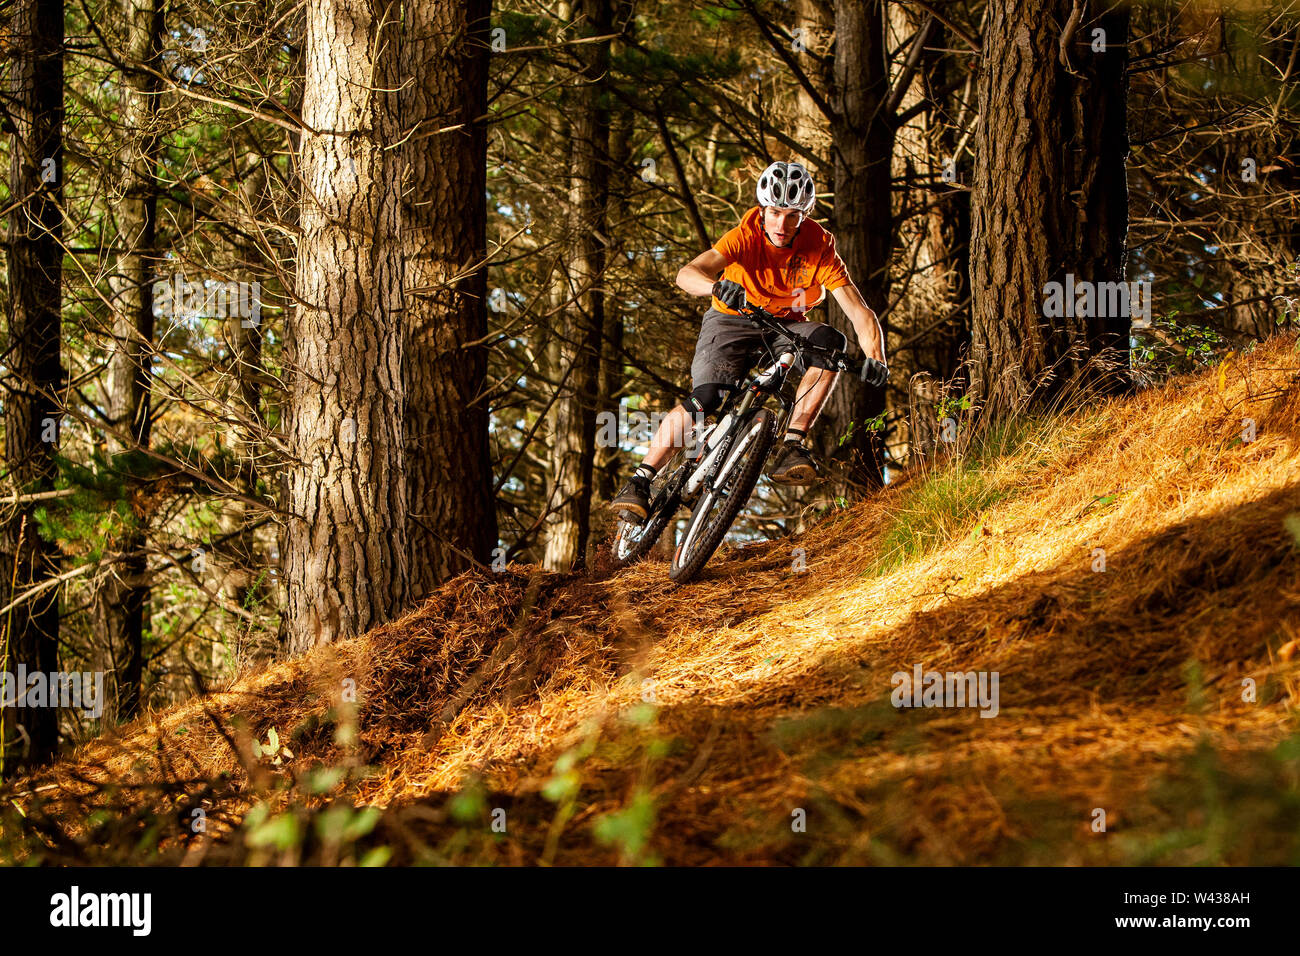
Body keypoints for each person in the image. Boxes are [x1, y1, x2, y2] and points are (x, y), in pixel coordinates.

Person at [609, 159, 888, 519]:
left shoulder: (819, 244)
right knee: (707, 399)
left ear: (804, 214)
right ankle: (641, 480)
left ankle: (792, 446)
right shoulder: (747, 234)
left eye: (792, 215)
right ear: (762, 209)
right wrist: (716, 287)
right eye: (774, 212)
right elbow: (686, 274)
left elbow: (858, 310)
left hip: (783, 326)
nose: (781, 224)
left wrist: (876, 358)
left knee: (829, 343)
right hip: (730, 320)